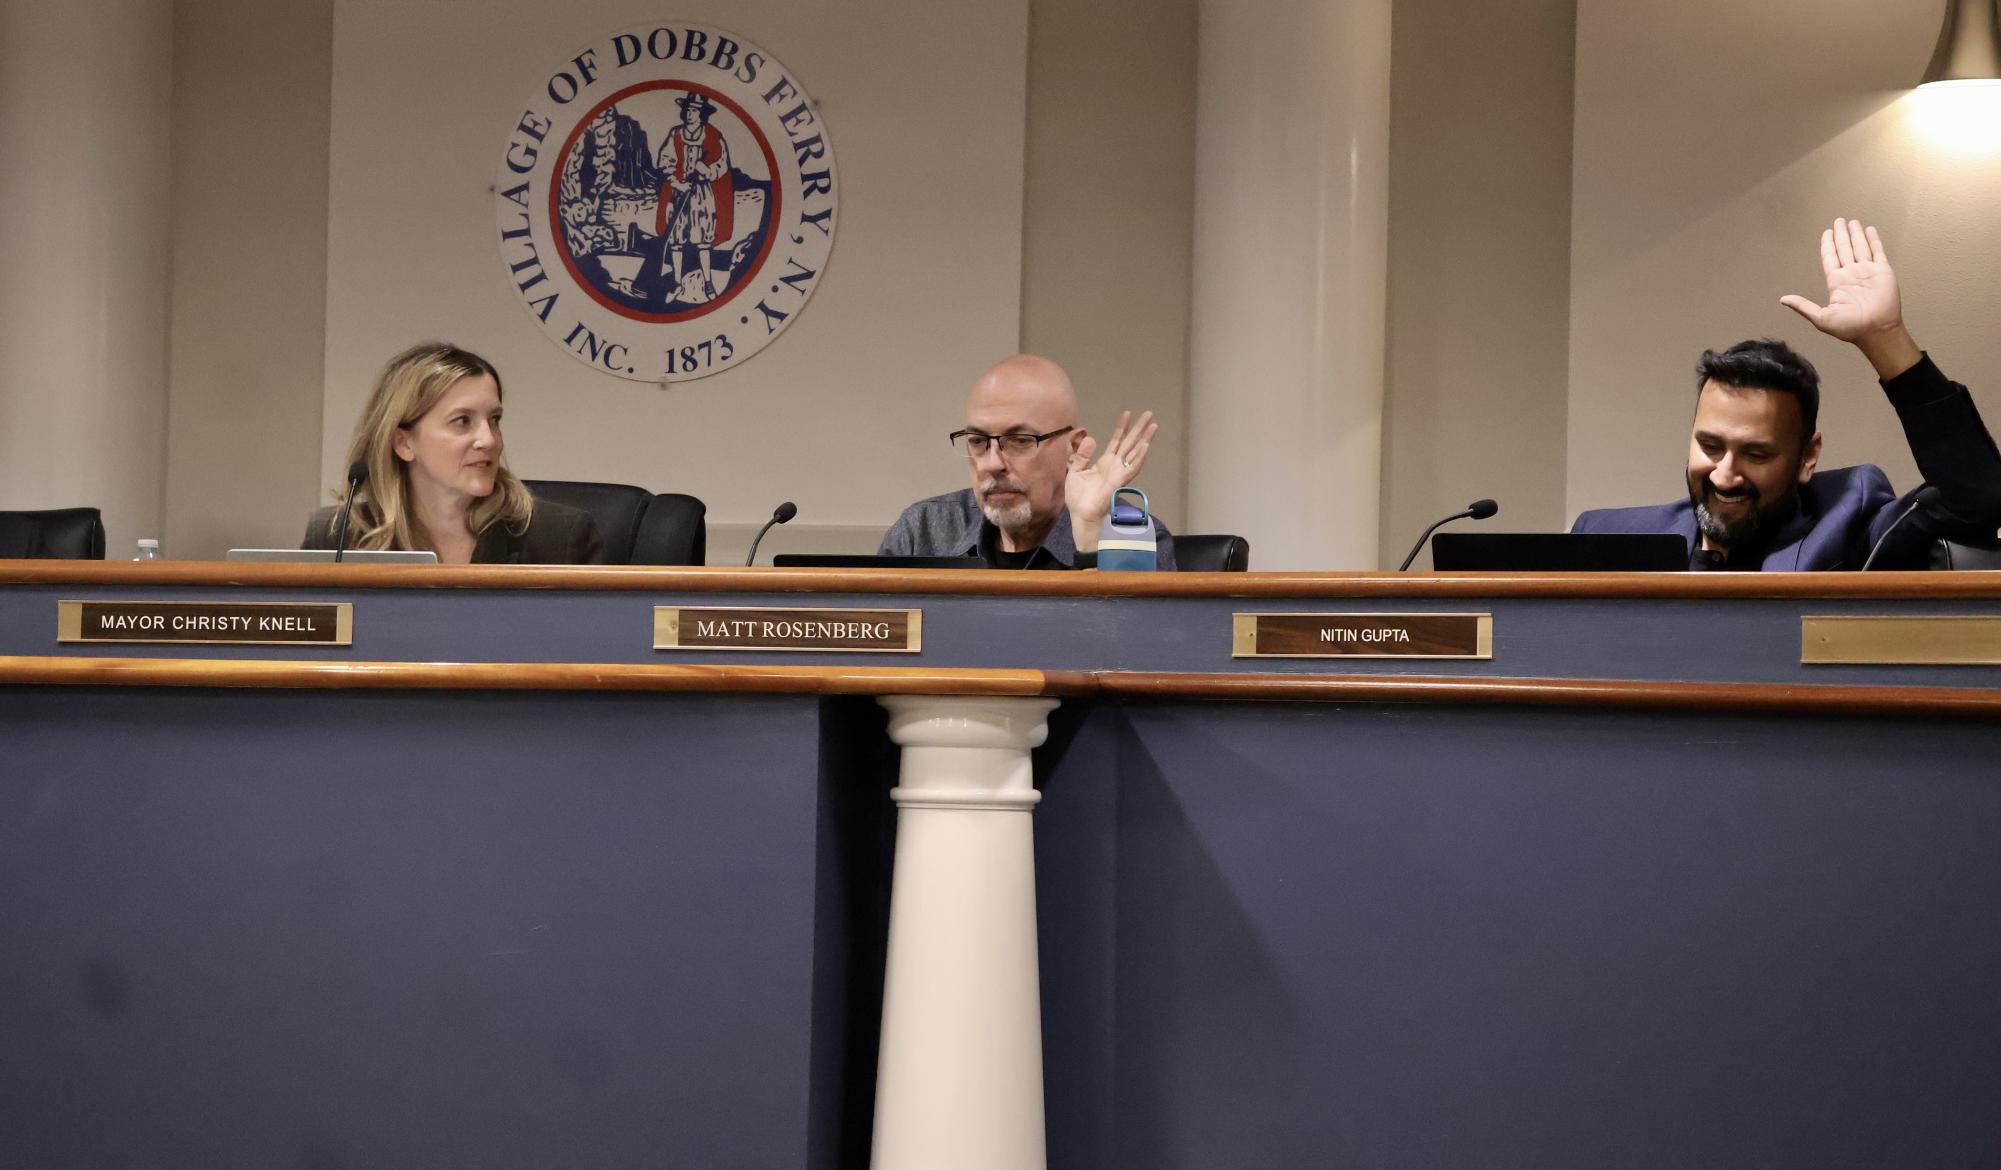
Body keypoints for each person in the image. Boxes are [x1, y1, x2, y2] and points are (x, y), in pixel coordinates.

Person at [1572, 219, 2001, 570]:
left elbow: (1978, 500)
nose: (1724, 475)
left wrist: (1885, 341)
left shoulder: (1848, 523)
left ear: (1807, 457)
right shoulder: (1604, 537)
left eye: (1756, 454)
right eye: (1709, 445)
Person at [303, 343, 604, 564]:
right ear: (404, 443)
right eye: (462, 421)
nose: (488, 439)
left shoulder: (558, 540)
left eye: (494, 420)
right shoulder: (337, 539)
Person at [879, 354, 1177, 569]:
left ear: (1073, 448)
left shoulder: (1132, 537)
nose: (992, 463)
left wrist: (1090, 539)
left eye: (1020, 441)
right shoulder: (923, 532)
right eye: (978, 441)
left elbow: (1134, 650)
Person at [655, 91, 733, 304]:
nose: (690, 113)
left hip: (701, 195)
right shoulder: (676, 134)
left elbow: (721, 163)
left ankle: (708, 283)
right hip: (678, 192)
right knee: (676, 241)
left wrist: (706, 170)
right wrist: (677, 183)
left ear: (702, 114)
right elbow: (665, 160)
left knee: (702, 240)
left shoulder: (713, 135)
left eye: (694, 110)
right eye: (688, 109)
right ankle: (677, 283)